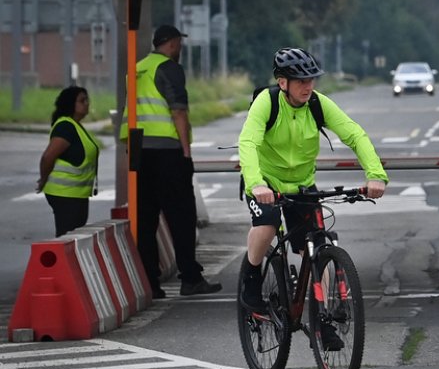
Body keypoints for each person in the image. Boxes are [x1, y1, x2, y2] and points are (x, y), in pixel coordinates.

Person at [237, 47, 388, 349]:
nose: (308, 86)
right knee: (266, 226)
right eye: (300, 81)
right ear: (282, 83)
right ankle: (252, 277)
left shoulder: (318, 104)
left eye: (312, 80)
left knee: (319, 246)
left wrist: (375, 175)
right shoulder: (267, 103)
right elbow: (248, 141)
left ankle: (324, 319)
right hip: (266, 183)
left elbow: (354, 134)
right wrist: (256, 184)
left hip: (303, 185)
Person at [120, 24, 221, 299]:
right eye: (179, 44)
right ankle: (190, 277)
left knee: (146, 219)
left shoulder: (137, 68)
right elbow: (178, 111)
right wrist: (186, 154)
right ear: (173, 43)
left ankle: (150, 283)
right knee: (182, 216)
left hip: (139, 150)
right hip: (167, 151)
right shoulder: (169, 68)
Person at [37, 86, 100, 237]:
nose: (87, 103)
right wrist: (43, 179)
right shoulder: (66, 126)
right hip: (65, 194)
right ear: (70, 103)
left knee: (73, 237)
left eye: (87, 100)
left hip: (77, 194)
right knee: (67, 238)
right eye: (82, 100)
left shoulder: (75, 126)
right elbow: (48, 157)